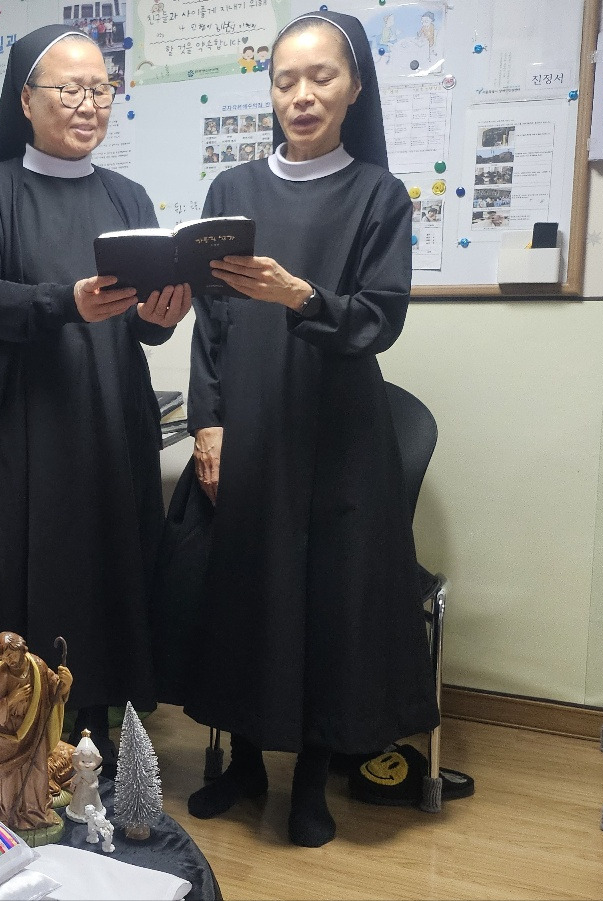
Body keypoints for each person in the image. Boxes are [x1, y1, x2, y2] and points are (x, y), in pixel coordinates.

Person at [169, 10, 438, 848]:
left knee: (328, 602)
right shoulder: (231, 191)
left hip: (338, 436)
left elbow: (380, 319)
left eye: (322, 77)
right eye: (286, 80)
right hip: (247, 428)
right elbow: (210, 321)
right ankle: (246, 764)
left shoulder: (379, 195)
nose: (302, 95)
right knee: (246, 595)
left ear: (355, 88)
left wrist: (299, 294)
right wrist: (208, 423)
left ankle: (313, 779)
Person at [0, 24, 191, 769]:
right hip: (18, 427)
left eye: (101, 88)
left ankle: (97, 731)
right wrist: (62, 301)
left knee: (109, 571)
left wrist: (162, 316)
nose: (88, 103)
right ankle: (12, 736)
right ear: (25, 100)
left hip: (108, 421)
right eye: (70, 88)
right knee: (20, 579)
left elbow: (141, 324)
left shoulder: (127, 195)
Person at [0, 631, 74, 830]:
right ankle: (8, 812)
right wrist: (12, 699)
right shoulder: (3, 674)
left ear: (20, 648)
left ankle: (35, 813)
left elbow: (55, 692)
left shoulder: (38, 666)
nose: (9, 660)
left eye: (11, 654)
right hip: (10, 733)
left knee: (37, 772)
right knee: (10, 776)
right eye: (4, 658)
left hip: (34, 730)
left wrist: (66, 684)